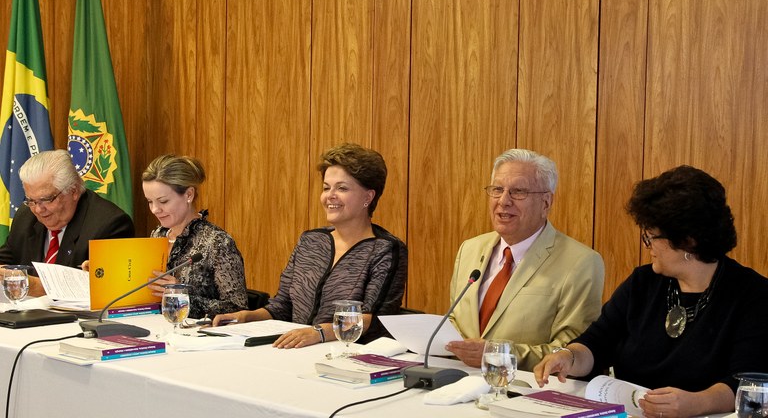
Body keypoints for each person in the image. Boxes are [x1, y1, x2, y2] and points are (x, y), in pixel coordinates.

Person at [533, 165, 768, 418]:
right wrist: (568, 357)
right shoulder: (642, 282)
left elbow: (748, 382)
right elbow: (596, 343)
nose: (647, 246)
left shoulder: (753, 295)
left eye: (651, 237)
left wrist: (695, 403)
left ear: (688, 241)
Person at [213, 143, 408, 348]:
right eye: (326, 188)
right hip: (296, 350)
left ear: (368, 197)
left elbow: (373, 320)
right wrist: (246, 317)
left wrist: (318, 333)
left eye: (342, 188)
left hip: (347, 354)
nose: (330, 195)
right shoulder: (311, 241)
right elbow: (282, 306)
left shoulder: (386, 249)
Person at [445, 148, 605, 371]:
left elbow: (570, 351)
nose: (503, 201)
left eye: (518, 192)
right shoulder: (469, 249)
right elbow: (454, 321)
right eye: (497, 189)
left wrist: (497, 354)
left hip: (524, 386)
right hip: (458, 380)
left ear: (546, 202)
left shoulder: (581, 262)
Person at [0, 149, 134, 296]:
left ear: (73, 191)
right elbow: (7, 259)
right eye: (31, 200)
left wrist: (39, 287)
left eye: (46, 199)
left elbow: (106, 288)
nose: (38, 209)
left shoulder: (109, 224)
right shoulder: (26, 216)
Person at [142, 154, 247, 318]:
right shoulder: (157, 235)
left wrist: (182, 295)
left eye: (163, 201)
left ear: (189, 195)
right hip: (155, 326)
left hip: (199, 332)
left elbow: (237, 308)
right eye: (150, 201)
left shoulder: (217, 242)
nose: (155, 209)